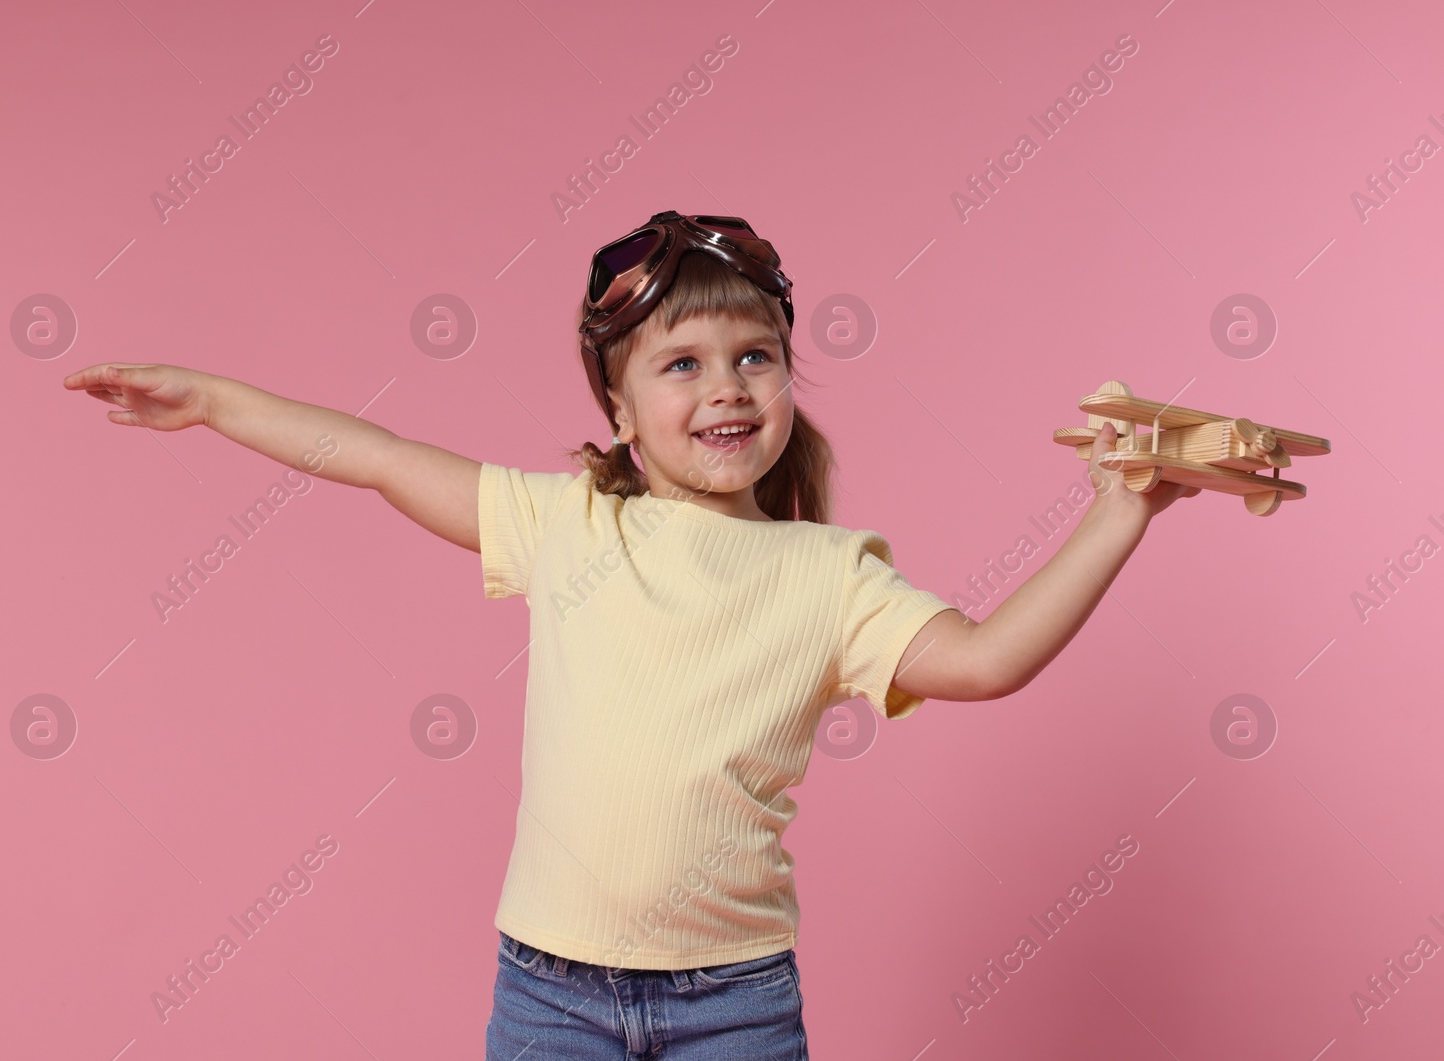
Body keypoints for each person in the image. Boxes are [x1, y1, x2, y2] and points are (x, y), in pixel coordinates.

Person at [63, 211, 1197, 1060]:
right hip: (549, 995)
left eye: (755, 355)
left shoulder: (829, 574)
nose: (727, 387)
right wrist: (214, 401)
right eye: (682, 363)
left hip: (736, 1002)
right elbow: (375, 454)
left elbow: (990, 657)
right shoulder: (570, 522)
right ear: (618, 410)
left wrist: (1120, 508)